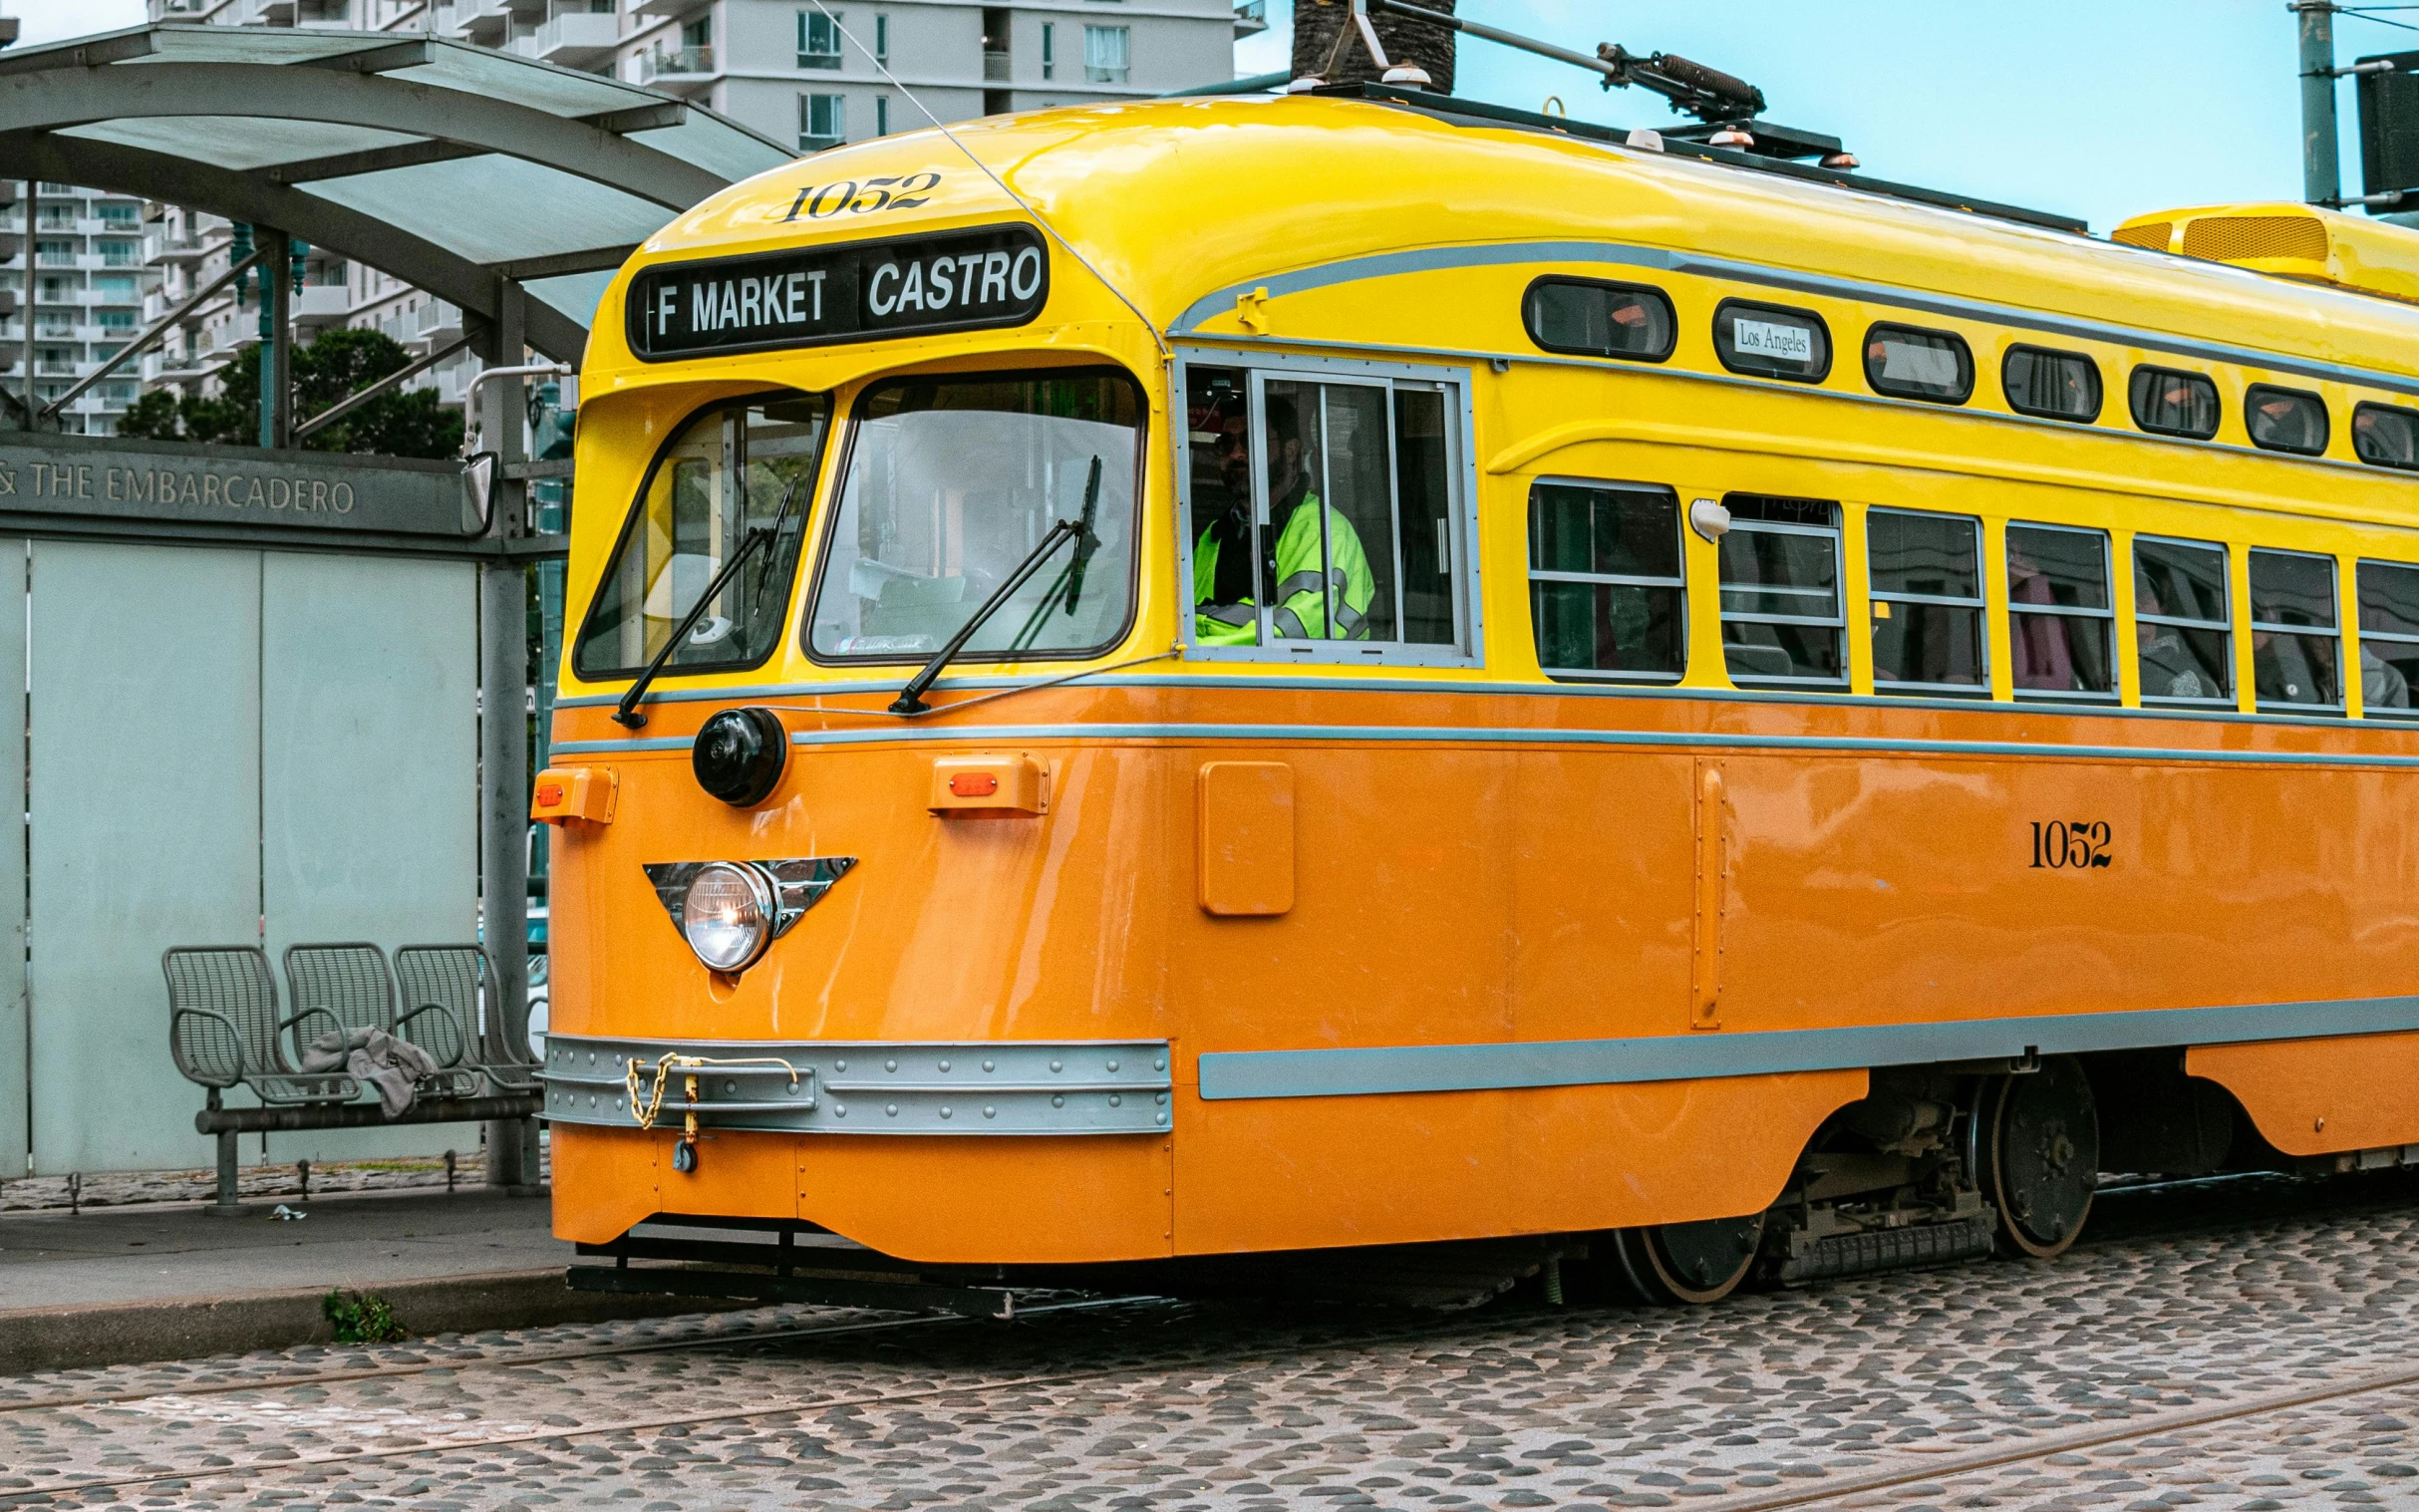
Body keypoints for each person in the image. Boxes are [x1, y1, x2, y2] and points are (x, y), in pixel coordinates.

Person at [1193, 394, 1375, 644]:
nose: (1236, 454)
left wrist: (1199, 643)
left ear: (1290, 452)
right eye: (1226, 443)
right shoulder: (1214, 535)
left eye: (1251, 441)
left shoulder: (1326, 530)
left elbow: (1293, 633)